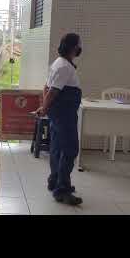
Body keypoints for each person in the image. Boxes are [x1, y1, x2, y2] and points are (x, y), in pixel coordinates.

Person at [36, 33, 83, 206]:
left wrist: (45, 108)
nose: (80, 48)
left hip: (59, 113)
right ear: (73, 47)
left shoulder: (59, 63)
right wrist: (44, 108)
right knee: (70, 149)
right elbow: (53, 91)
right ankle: (62, 190)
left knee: (56, 148)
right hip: (64, 114)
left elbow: (46, 87)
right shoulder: (64, 67)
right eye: (79, 45)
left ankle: (54, 180)